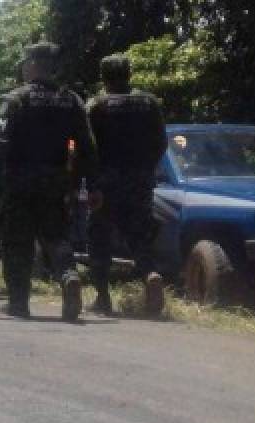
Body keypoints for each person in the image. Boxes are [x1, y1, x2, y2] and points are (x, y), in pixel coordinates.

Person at [0, 42, 100, 321]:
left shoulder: (16, 100)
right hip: (55, 182)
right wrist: (92, 185)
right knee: (56, 235)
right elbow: (88, 147)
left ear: (32, 65)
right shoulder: (72, 101)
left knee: (16, 241)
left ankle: (18, 302)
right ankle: (69, 275)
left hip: (18, 183)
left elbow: (0, 145)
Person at [86, 53, 168, 316]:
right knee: (139, 235)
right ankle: (151, 274)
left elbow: (87, 147)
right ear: (128, 74)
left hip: (106, 183)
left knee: (99, 238)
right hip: (140, 182)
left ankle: (102, 298)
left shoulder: (96, 106)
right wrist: (146, 170)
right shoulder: (149, 103)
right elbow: (162, 143)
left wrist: (88, 181)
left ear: (104, 76)